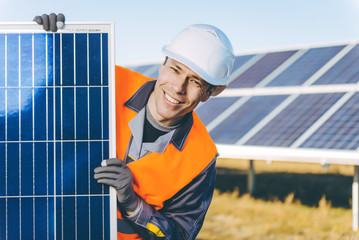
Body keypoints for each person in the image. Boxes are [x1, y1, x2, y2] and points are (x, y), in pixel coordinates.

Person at [34, 14, 235, 240]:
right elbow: (47, 96)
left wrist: (133, 203)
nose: (178, 87)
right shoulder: (108, 81)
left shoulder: (200, 159)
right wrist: (45, 43)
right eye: (176, 70)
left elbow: (179, 235)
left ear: (208, 93)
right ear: (163, 65)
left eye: (195, 81)